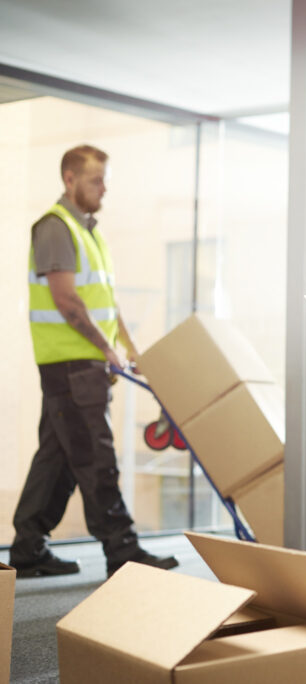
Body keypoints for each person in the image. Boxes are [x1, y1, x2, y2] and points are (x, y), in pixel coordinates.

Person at [10, 145, 178, 578]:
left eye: (104, 179)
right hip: (71, 365)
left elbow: (103, 300)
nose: (104, 187)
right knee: (95, 457)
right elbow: (66, 300)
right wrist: (106, 350)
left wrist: (129, 345)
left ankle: (28, 548)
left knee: (59, 458)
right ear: (69, 179)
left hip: (82, 363)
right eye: (95, 180)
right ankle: (121, 548)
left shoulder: (90, 232)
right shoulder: (55, 227)